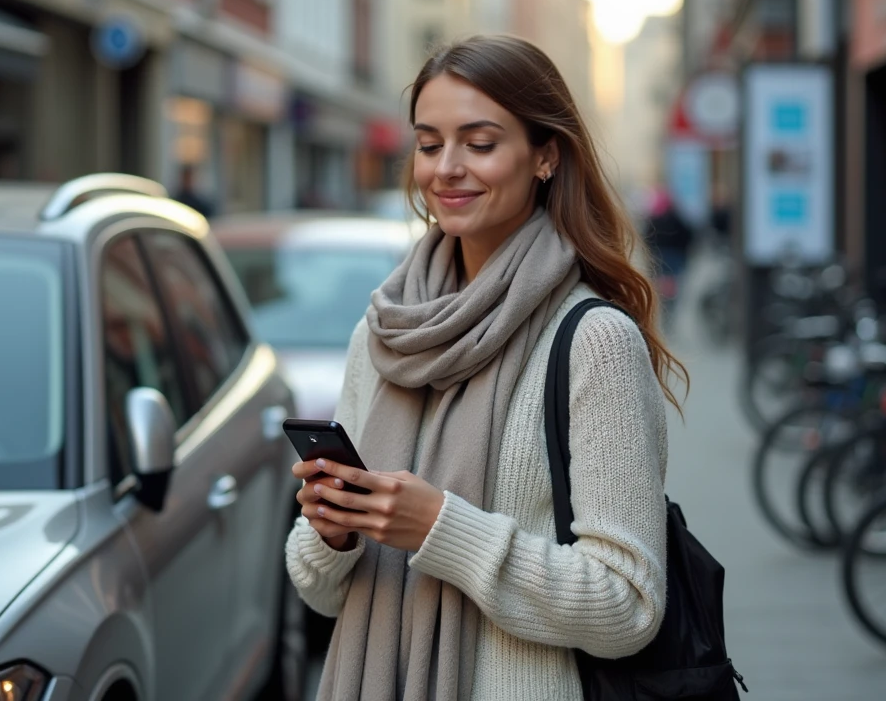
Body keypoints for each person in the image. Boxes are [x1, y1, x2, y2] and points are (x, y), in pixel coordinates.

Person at [284, 34, 687, 700]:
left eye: (480, 142)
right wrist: (332, 533)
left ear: (545, 158)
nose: (446, 168)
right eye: (429, 142)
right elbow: (318, 592)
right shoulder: (383, 332)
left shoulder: (595, 341)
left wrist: (442, 528)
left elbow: (627, 606)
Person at [643, 186, 694, 325]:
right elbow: (688, 236)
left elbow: (646, 239)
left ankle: (664, 309)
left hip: (659, 257)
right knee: (672, 286)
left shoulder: (653, 219)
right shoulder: (678, 218)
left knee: (660, 285)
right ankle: (669, 310)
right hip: (675, 258)